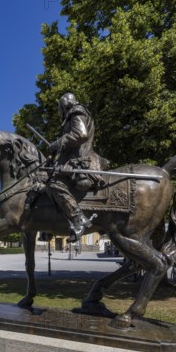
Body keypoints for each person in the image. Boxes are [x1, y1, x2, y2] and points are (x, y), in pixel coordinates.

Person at [45, 93, 108, 242]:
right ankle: (50, 226)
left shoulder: (76, 111)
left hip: (80, 161)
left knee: (54, 185)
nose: (60, 111)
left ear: (64, 104)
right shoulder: (78, 112)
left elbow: (80, 134)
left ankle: (78, 219)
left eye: (60, 107)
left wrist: (57, 143)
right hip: (74, 159)